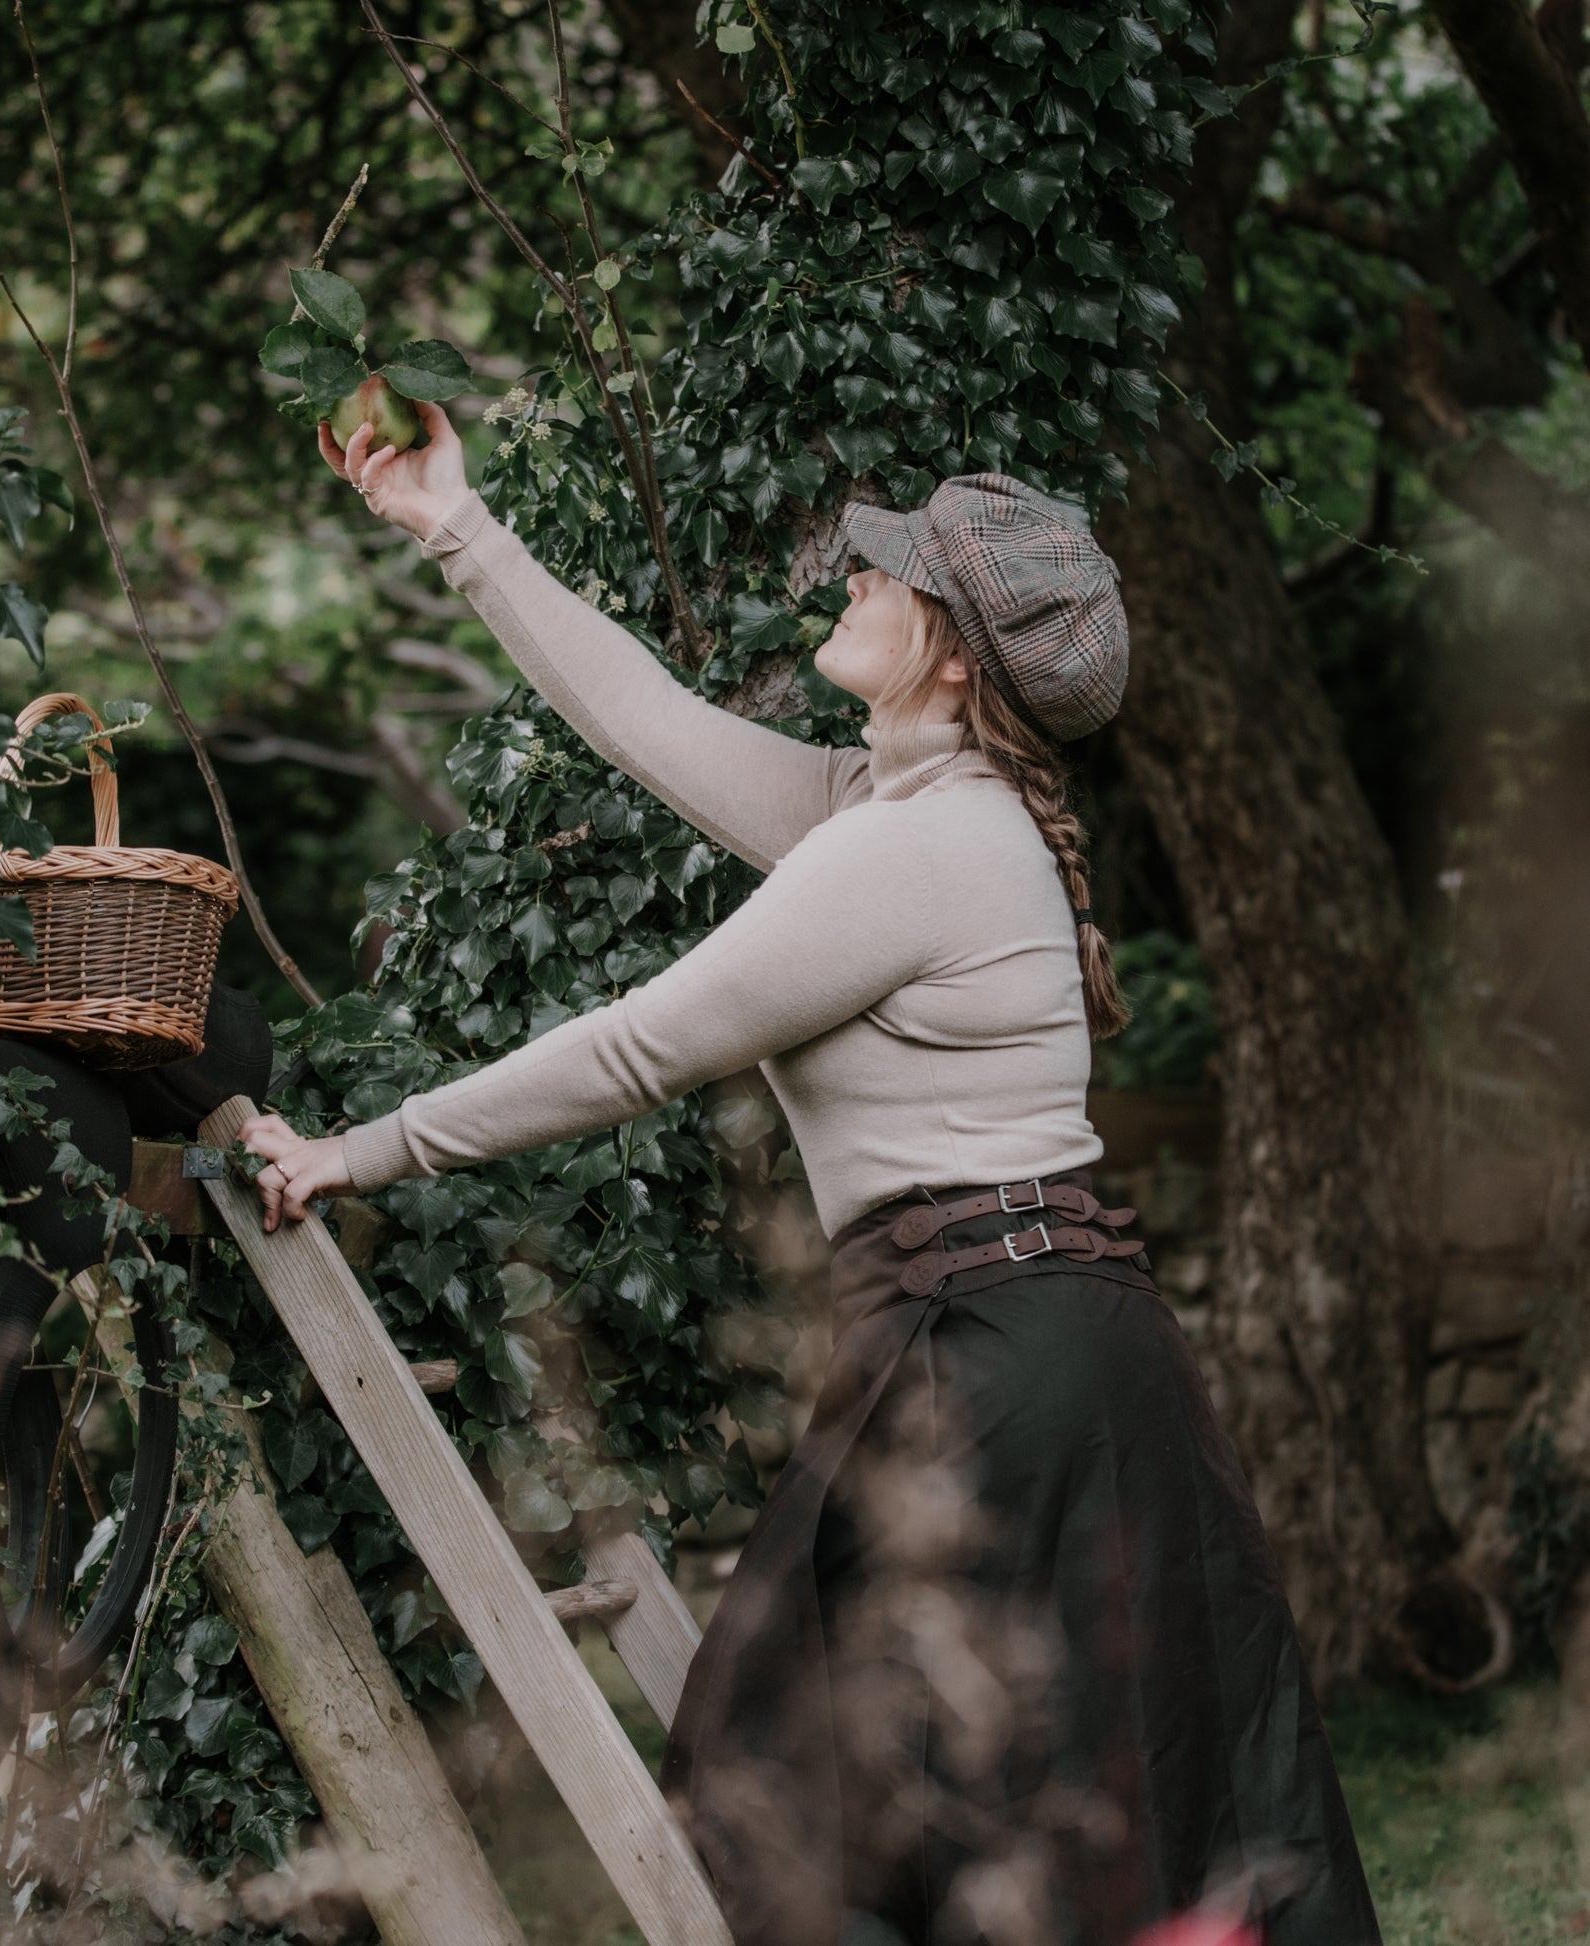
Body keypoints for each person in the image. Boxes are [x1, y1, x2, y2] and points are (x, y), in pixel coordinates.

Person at [236, 400, 1382, 1946]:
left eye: (886, 575)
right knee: (1028, 1820)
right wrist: (456, 525)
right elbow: (643, 722)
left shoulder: (914, 851)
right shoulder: (893, 812)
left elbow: (637, 1047)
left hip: (994, 1360)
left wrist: (351, 1149)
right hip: (1023, 1339)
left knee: (848, 1786)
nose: (850, 578)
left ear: (953, 655)